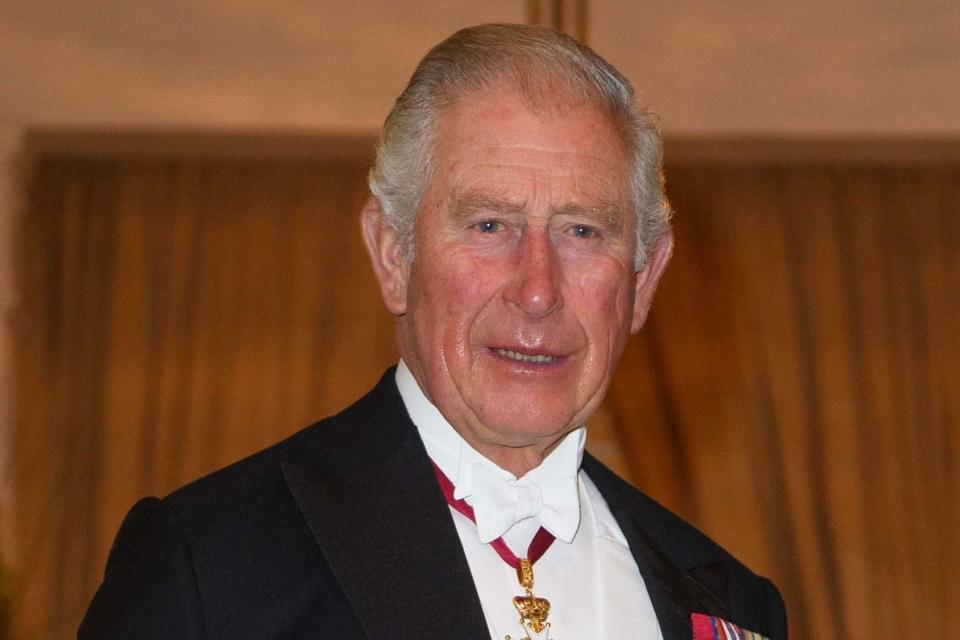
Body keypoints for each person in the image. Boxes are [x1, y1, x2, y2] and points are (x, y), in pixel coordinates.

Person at [80, 23, 786, 640]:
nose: (537, 289)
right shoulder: (211, 565)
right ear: (393, 254)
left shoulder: (729, 601)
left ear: (644, 279)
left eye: (581, 230)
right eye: (488, 226)